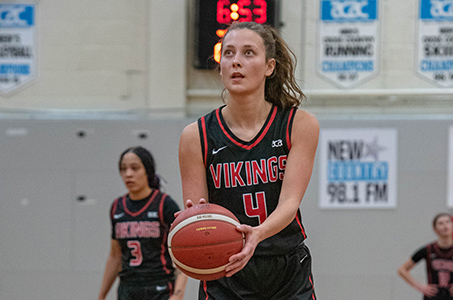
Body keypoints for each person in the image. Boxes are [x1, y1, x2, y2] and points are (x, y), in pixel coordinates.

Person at [178, 21, 319, 299]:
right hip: (226, 270)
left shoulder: (298, 125)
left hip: (286, 269)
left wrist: (258, 234)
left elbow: (290, 202)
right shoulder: (196, 136)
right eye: (228, 53)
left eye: (248, 53)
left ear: (269, 66)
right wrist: (189, 224)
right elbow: (199, 213)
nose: (236, 62)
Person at [98, 146, 188, 300]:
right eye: (123, 169)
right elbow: (115, 256)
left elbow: (185, 250)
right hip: (127, 289)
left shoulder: (164, 204)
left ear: (148, 170)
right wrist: (101, 296)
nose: (128, 174)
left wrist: (178, 293)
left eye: (135, 168)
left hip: (159, 287)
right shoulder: (117, 206)